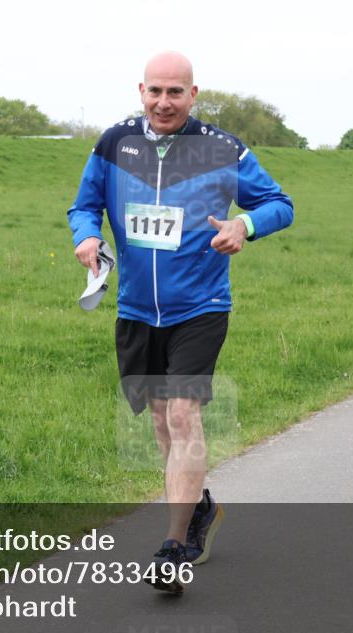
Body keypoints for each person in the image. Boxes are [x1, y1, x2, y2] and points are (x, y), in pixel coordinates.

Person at [67, 51, 294, 593]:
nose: (164, 102)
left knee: (184, 414)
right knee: (162, 419)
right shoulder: (113, 144)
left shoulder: (223, 148)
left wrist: (245, 225)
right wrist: (86, 238)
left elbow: (279, 204)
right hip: (136, 310)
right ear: (140, 91)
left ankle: (172, 547)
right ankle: (199, 508)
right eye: (155, 92)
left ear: (194, 95)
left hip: (201, 306)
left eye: (176, 92)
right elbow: (83, 206)